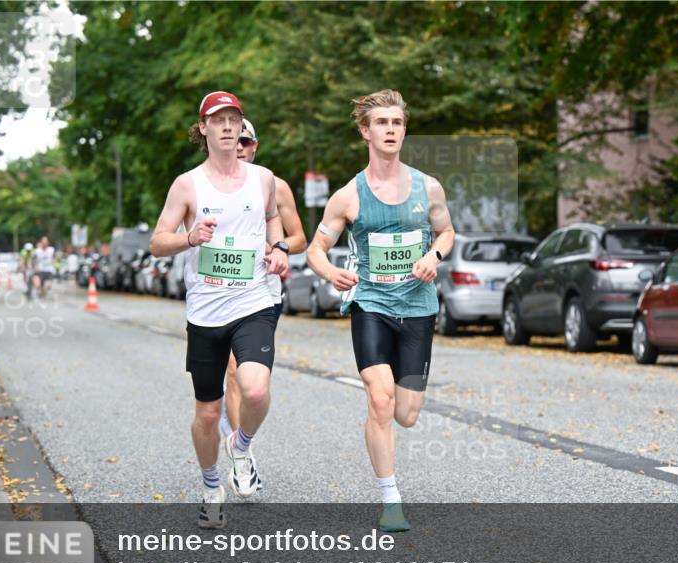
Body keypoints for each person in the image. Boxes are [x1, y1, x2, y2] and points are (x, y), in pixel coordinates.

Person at [306, 89, 455, 532]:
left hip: (418, 306)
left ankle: (385, 429)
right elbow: (316, 249)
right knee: (381, 398)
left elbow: (446, 233)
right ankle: (391, 500)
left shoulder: (428, 186)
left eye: (397, 123)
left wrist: (435, 256)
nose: (390, 130)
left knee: (407, 413)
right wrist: (330, 273)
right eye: (381, 123)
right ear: (365, 131)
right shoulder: (347, 196)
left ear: (404, 130)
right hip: (370, 303)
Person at [150, 91, 288, 529]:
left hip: (253, 301)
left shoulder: (262, 178)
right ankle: (211, 484)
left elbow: (272, 217)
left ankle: (242, 446)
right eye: (219, 120)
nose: (228, 127)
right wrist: (189, 239)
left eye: (234, 119)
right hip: (205, 311)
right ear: (203, 128)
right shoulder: (187, 184)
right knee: (208, 413)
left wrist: (280, 247)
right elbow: (157, 242)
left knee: (255, 390)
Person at [219, 117, 308, 443]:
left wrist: (281, 247)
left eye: (246, 142)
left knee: (248, 380)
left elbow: (300, 238)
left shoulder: (275, 186)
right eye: (234, 141)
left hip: (262, 293)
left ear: (254, 147)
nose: (239, 147)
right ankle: (239, 451)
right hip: (219, 293)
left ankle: (240, 442)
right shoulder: (206, 184)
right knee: (230, 371)